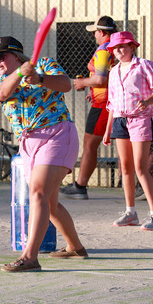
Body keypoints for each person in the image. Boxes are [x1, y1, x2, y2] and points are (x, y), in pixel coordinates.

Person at [0, 36, 87, 272]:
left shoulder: (44, 64)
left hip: (57, 133)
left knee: (38, 192)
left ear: (16, 55)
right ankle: (75, 247)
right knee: (49, 204)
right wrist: (20, 74)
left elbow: (66, 84)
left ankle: (29, 257)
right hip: (28, 143)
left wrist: (40, 78)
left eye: (1, 56)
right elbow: (2, 94)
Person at [102, 31, 153, 231]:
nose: (118, 50)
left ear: (132, 47)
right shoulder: (113, 71)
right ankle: (130, 212)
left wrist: (147, 101)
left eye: (122, 46)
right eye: (115, 48)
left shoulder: (145, 65)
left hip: (141, 119)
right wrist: (107, 130)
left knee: (140, 167)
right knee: (125, 168)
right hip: (120, 120)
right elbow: (112, 102)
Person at [59, 15, 117, 200]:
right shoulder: (118, 48)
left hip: (103, 105)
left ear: (102, 32)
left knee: (90, 145)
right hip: (112, 101)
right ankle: (141, 185)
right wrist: (93, 90)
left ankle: (80, 186)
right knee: (128, 145)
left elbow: (100, 79)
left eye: (95, 32)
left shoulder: (103, 50)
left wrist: (83, 82)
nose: (94, 36)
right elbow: (109, 78)